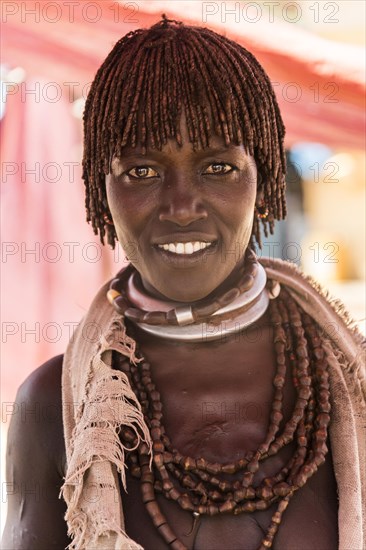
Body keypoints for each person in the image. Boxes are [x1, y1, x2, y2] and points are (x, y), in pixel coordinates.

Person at [2, 17, 365, 550]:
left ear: (263, 182)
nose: (180, 207)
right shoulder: (51, 408)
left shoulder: (343, 391)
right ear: (100, 194)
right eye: (142, 172)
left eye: (218, 167)